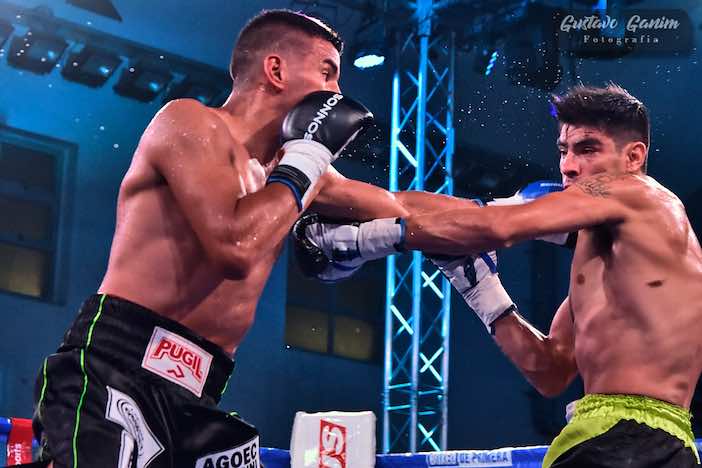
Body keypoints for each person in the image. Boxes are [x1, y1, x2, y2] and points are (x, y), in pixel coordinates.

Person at [30, 9, 483, 467]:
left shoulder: (307, 174)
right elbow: (236, 247)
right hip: (118, 363)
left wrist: (514, 213)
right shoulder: (189, 123)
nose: (337, 94)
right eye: (327, 73)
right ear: (276, 69)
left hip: (197, 392)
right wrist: (307, 158)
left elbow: (401, 204)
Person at [298, 84, 702, 467]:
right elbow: (550, 369)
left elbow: (495, 227)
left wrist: (367, 238)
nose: (569, 166)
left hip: (630, 439)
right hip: (628, 440)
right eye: (564, 150)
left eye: (588, 149)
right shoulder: (611, 266)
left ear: (633, 157)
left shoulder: (641, 194)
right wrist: (480, 286)